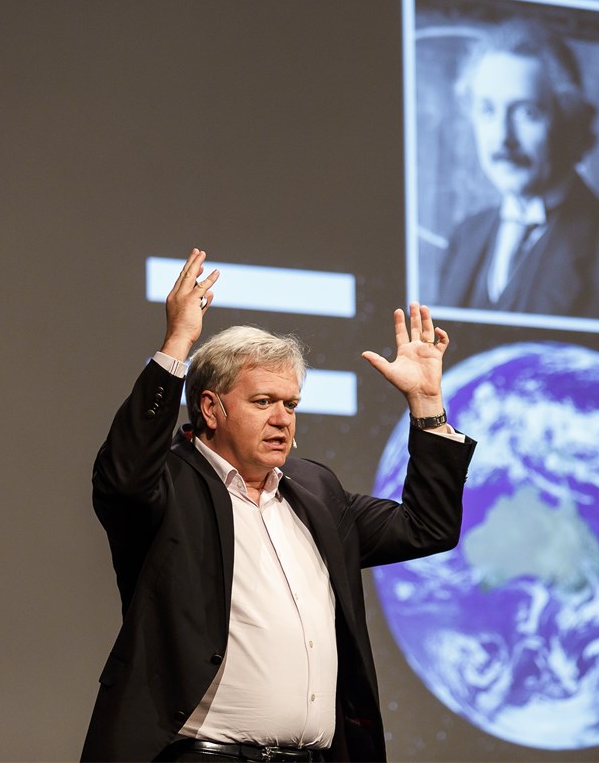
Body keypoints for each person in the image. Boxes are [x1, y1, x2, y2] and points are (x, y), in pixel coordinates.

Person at [82, 249, 476, 762]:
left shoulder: (315, 491)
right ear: (211, 408)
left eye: (290, 404)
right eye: (263, 402)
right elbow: (123, 476)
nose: (282, 419)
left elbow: (428, 527)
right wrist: (177, 342)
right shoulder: (168, 486)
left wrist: (426, 406)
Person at [436, 19, 599, 322]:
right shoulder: (465, 237)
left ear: (568, 120)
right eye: (488, 111)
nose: (503, 137)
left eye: (526, 113)